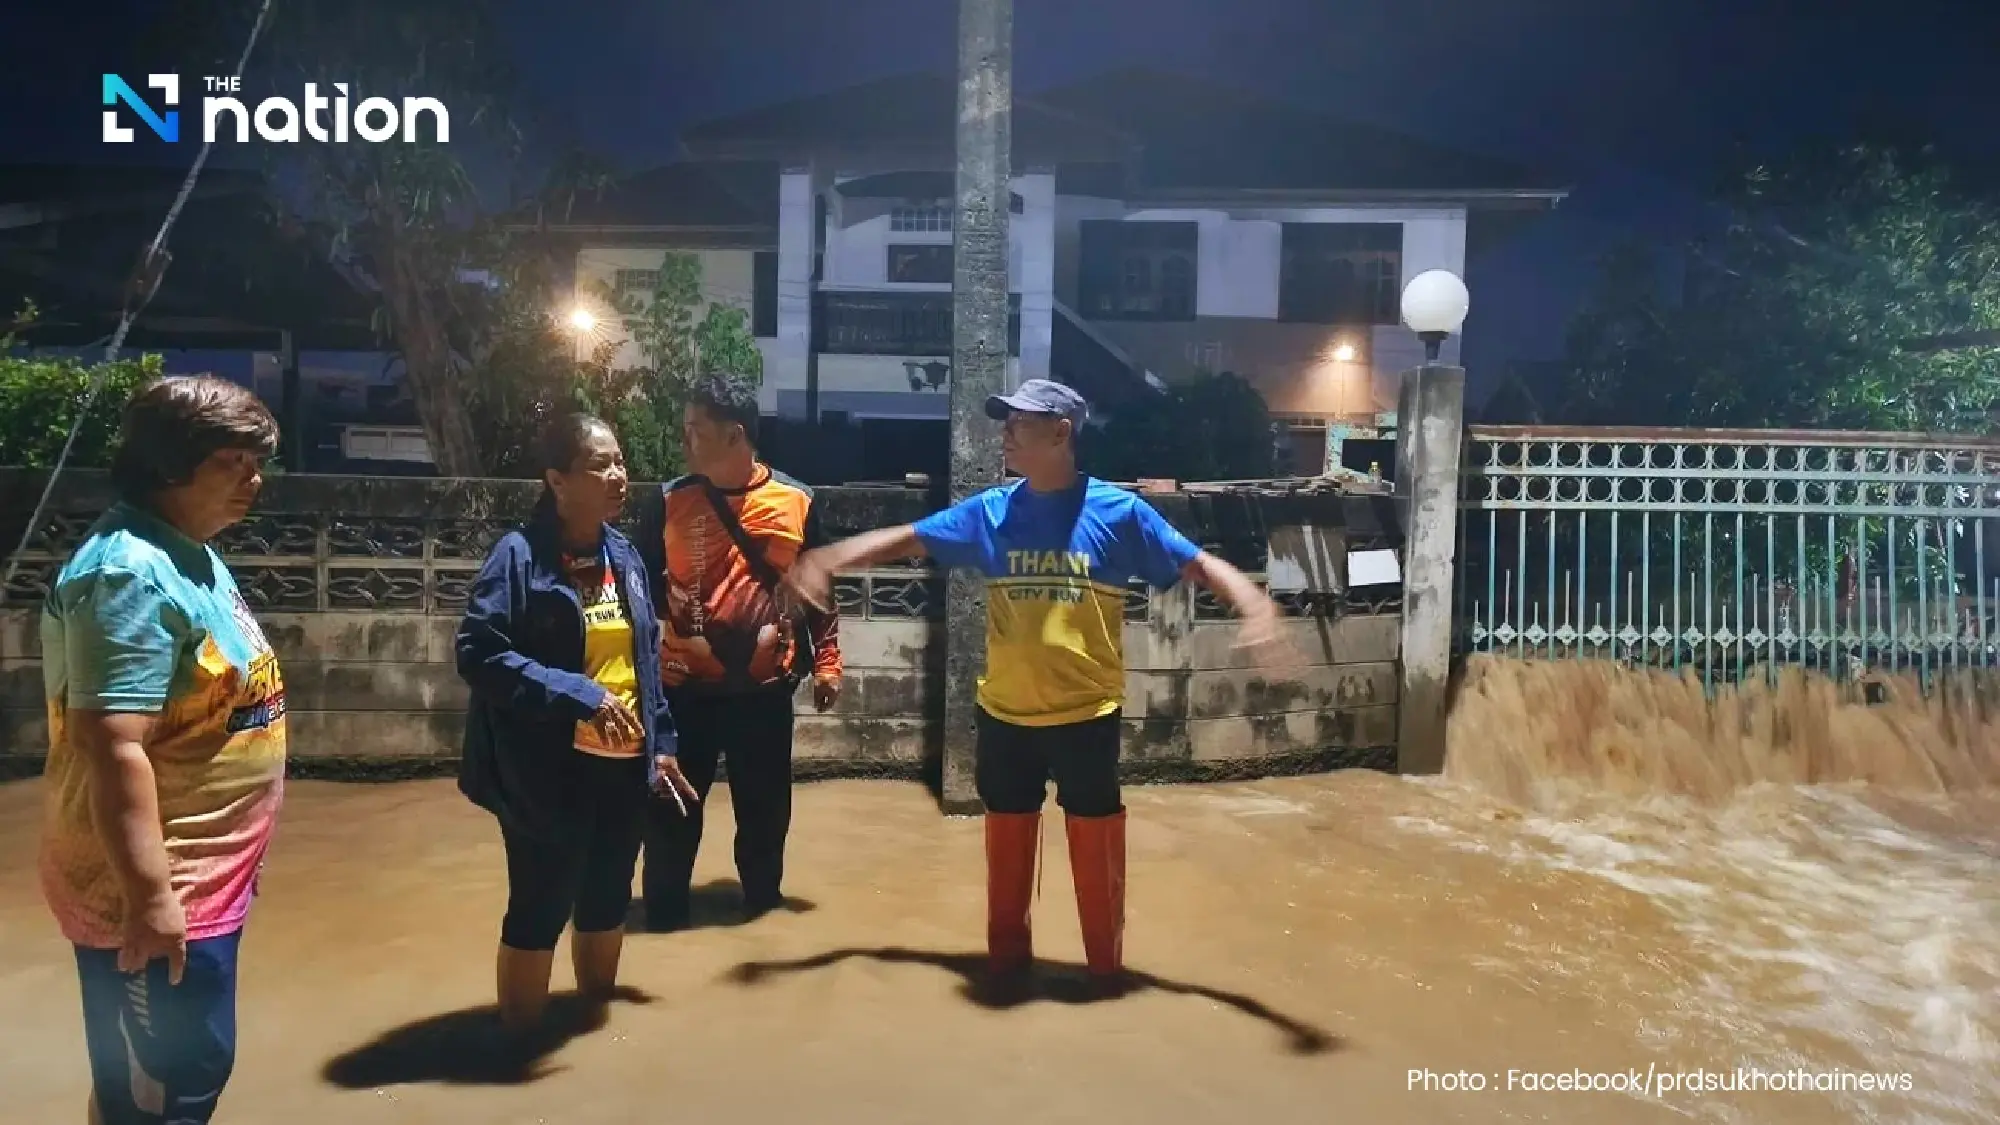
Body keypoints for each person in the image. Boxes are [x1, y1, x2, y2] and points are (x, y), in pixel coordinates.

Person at [788, 378, 1290, 993]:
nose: (1006, 434)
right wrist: (826, 558)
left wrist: (1254, 603)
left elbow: (1195, 562)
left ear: (1061, 433)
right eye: (1005, 422)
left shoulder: (1117, 512)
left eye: (1020, 424)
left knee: (1097, 850)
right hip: (1006, 717)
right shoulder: (992, 512)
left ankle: (1105, 973)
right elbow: (910, 537)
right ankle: (1006, 969)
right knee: (1006, 849)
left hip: (1086, 715)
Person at [38, 375, 285, 1125]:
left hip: (203, 880)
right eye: (232, 461)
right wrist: (150, 901)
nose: (254, 478)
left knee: (162, 1077)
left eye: (256, 460)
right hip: (151, 893)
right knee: (169, 1084)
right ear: (168, 463)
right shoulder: (126, 574)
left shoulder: (186, 552)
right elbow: (113, 746)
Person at [456, 414, 695, 1034]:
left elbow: (643, 663)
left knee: (608, 898)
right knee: (539, 905)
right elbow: (478, 652)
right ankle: (521, 1049)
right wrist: (574, 692)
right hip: (547, 770)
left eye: (620, 462)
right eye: (601, 465)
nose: (619, 476)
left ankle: (592, 1035)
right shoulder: (519, 557)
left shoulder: (625, 556)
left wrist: (662, 747)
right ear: (557, 480)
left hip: (624, 768)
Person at [634, 372, 842, 931]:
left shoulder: (796, 502)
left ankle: (761, 914)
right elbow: (638, 587)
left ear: (735, 436)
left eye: (695, 430)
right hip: (683, 691)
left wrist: (827, 663)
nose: (685, 442)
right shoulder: (669, 501)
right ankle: (665, 915)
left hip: (763, 691)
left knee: (765, 810)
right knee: (672, 807)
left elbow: (818, 587)